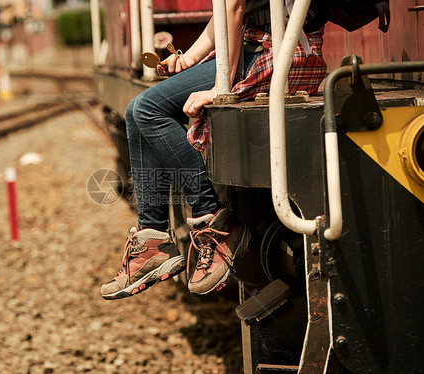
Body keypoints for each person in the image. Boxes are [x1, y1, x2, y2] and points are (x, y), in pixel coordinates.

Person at [100, 0, 327, 300]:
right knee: (135, 112)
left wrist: (221, 86)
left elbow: (232, 7)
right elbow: (225, 12)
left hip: (278, 53)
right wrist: (188, 60)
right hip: (265, 47)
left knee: (147, 110)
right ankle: (152, 240)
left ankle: (214, 222)